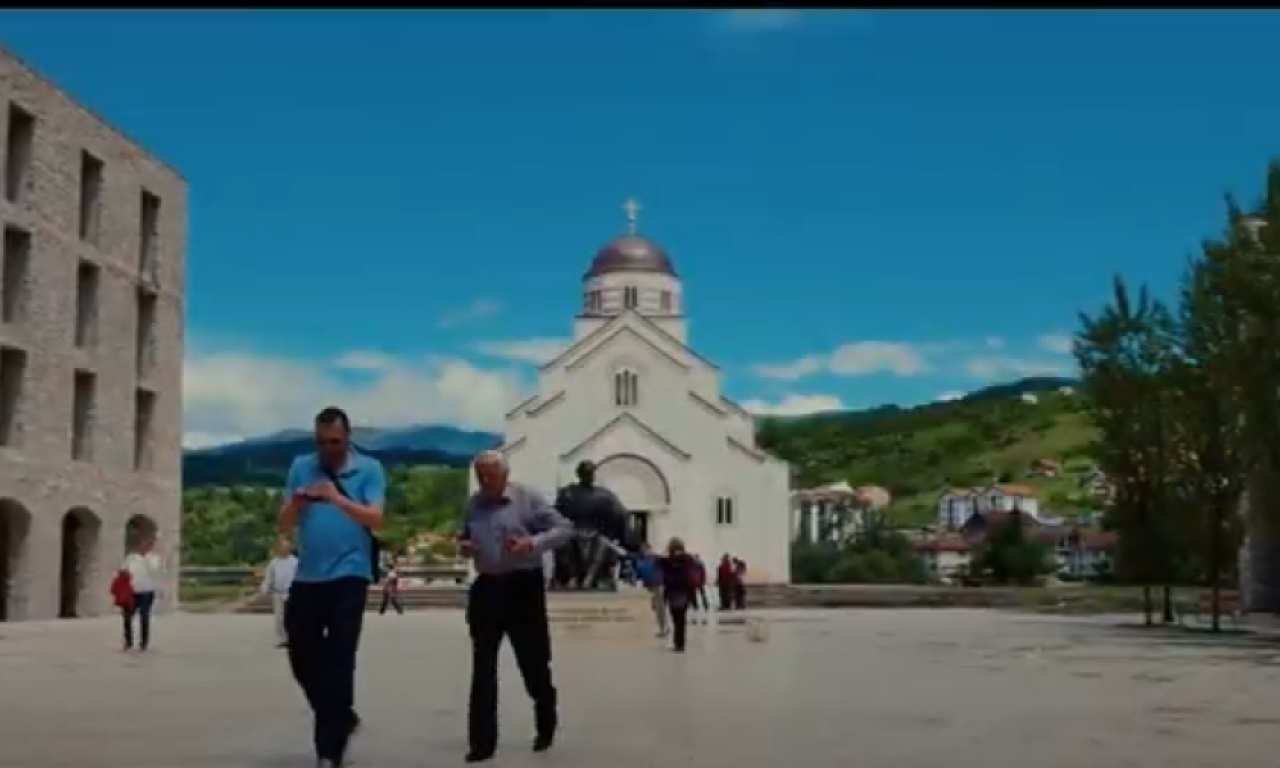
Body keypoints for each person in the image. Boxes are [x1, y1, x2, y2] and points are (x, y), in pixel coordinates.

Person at [279, 406, 386, 768]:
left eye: (336, 442)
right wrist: (297, 502)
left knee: (340, 660)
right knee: (301, 655)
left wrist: (335, 497)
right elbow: (284, 524)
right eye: (323, 442)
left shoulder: (369, 469)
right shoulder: (300, 467)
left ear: (348, 437)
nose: (329, 448)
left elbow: (376, 518)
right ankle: (341, 715)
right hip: (309, 575)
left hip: (350, 574)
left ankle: (329, 751)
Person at [460, 450, 573, 763]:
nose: (485, 482)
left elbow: (565, 529)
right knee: (482, 667)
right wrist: (465, 546)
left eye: (490, 476)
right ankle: (482, 743)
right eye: (480, 475)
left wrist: (531, 544)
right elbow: (465, 534)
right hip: (487, 588)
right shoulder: (473, 504)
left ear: (505, 475)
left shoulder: (528, 499)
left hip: (523, 586)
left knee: (532, 662)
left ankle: (545, 716)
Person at [120, 536, 162, 653]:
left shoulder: (153, 559)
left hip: (147, 591)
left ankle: (143, 643)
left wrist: (146, 559)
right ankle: (128, 641)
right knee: (127, 616)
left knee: (144, 616)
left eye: (147, 545)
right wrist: (125, 573)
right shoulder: (131, 558)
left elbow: (154, 570)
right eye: (141, 545)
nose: (143, 547)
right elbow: (123, 569)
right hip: (132, 592)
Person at [659, 538, 697, 653]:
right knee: (681, 619)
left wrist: (666, 552)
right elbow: (690, 575)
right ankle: (680, 644)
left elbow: (660, 563)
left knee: (676, 620)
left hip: (673, 592)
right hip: (684, 592)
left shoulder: (668, 561)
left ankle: (678, 644)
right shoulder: (688, 559)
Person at [260, 540, 299, 648]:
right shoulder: (274, 563)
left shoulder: (295, 562)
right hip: (278, 592)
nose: (283, 550)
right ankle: (284, 638)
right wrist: (265, 588)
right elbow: (269, 577)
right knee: (279, 617)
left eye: (286, 548)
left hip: (291, 592)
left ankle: (294, 638)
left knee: (292, 616)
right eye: (281, 548)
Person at [634, 543, 667, 637]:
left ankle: (663, 629)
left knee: (659, 607)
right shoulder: (639, 560)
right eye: (643, 549)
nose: (645, 551)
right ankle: (664, 627)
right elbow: (640, 572)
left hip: (658, 584)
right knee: (656, 607)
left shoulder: (656, 558)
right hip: (650, 586)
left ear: (650, 549)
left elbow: (665, 563)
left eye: (647, 549)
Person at [690, 553, 710, 624]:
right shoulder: (699, 564)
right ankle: (705, 605)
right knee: (701, 594)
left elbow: (702, 573)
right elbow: (703, 573)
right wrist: (703, 580)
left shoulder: (694, 564)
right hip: (698, 582)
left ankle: (696, 606)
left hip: (696, 582)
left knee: (696, 595)